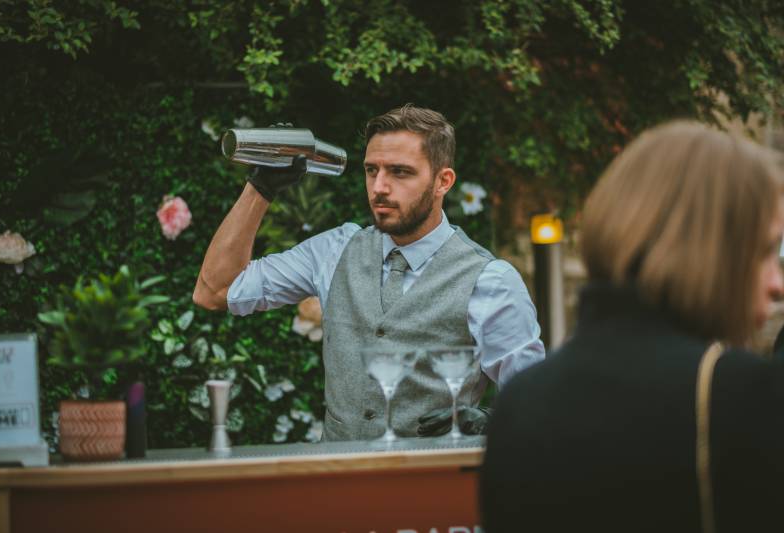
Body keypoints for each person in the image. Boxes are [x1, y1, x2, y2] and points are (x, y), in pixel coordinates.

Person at [480, 121, 784, 532]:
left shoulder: (520, 401)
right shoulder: (745, 397)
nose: (777, 284)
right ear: (715, 251)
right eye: (767, 251)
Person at [193, 104, 544, 441]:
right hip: (335, 487)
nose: (379, 187)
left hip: (433, 491)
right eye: (371, 170)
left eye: (400, 172)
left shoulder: (490, 280)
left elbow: (536, 404)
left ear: (443, 181)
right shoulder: (333, 250)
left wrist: (494, 422)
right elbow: (215, 291)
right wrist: (260, 189)